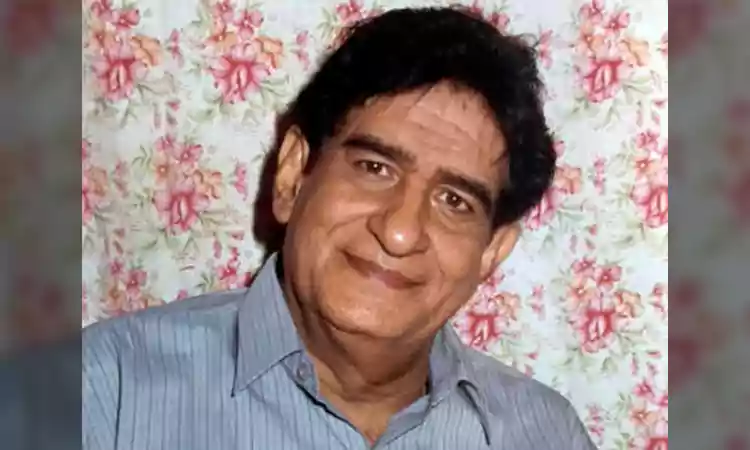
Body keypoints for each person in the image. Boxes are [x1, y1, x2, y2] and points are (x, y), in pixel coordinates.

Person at [83, 6, 596, 450]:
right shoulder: (105, 394)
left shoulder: (546, 435)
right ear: (292, 175)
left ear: (492, 252)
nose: (399, 232)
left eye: (454, 201)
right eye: (375, 168)